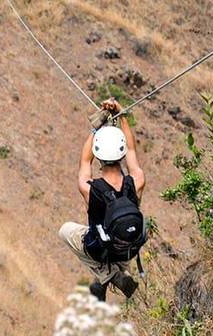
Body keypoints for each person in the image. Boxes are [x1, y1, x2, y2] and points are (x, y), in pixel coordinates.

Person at [58, 98, 146, 301]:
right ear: (121, 152)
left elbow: (84, 160)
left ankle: (110, 275)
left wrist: (96, 127)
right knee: (119, 237)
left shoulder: (89, 188)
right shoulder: (137, 181)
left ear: (98, 154)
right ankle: (112, 274)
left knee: (65, 230)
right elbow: (131, 150)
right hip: (127, 248)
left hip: (101, 249)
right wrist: (121, 116)